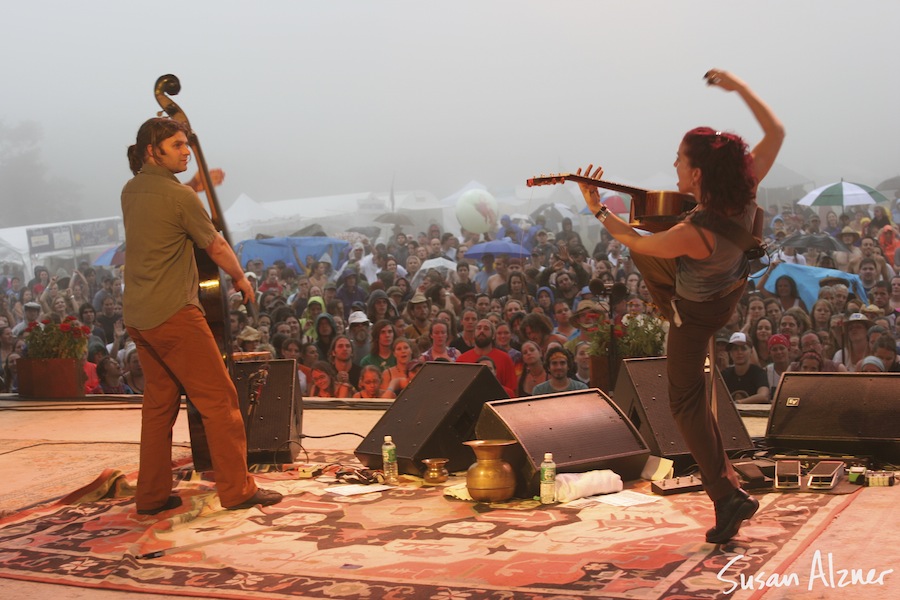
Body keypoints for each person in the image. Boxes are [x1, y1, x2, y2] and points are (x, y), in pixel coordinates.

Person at [577, 70, 784, 543]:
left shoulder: (695, 232)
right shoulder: (746, 185)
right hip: (728, 293)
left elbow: (633, 239)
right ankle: (728, 483)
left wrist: (597, 207)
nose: (672, 165)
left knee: (684, 402)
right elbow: (777, 133)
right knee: (654, 232)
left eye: (678, 160)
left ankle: (726, 496)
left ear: (697, 174)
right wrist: (740, 88)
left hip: (692, 316)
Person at [122, 117, 281, 513]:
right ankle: (237, 489)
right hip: (174, 313)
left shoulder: (131, 191)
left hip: (139, 317)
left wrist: (194, 186)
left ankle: (152, 495)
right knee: (220, 401)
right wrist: (241, 278)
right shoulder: (180, 198)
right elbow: (215, 245)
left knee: (159, 406)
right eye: (177, 145)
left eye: (185, 145)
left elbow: (168, 204)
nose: (187, 151)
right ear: (152, 151)